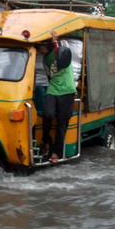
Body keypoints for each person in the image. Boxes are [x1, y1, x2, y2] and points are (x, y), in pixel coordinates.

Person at [36, 30, 77, 163]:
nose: (40, 50)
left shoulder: (61, 52)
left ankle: (56, 152)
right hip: (53, 89)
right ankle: (47, 140)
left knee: (62, 123)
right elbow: (50, 76)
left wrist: (54, 39)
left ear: (47, 46)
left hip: (67, 90)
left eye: (41, 47)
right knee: (47, 114)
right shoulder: (45, 59)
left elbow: (58, 49)